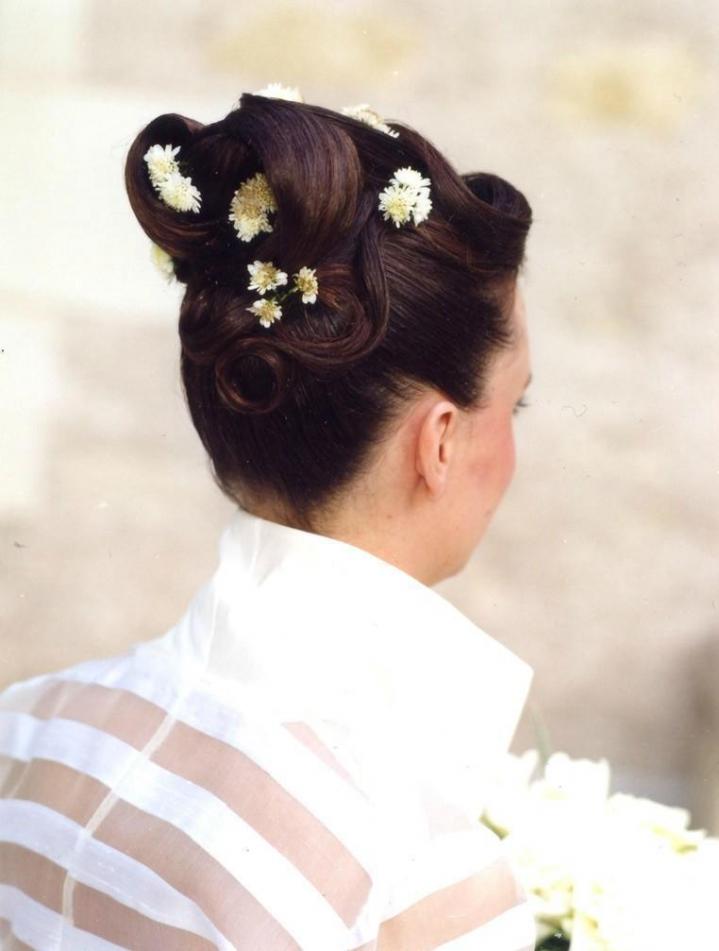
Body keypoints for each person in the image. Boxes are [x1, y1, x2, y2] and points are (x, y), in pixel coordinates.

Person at [0, 86, 536, 949]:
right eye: (518, 404)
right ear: (438, 441)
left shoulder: (32, 729)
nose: (513, 449)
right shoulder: (414, 871)